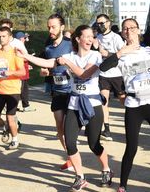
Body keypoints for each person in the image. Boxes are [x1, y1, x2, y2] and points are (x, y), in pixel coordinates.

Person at [17, 25, 114, 191]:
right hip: (74, 104)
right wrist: (26, 56)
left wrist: (67, 63)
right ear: (78, 39)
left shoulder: (95, 56)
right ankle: (80, 177)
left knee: (94, 144)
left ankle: (106, 169)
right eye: (87, 36)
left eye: (92, 36)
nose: (91, 39)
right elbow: (48, 62)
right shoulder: (70, 55)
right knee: (70, 142)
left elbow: (83, 74)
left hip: (93, 105)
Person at [100, 18, 150, 192]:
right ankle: (122, 186)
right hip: (134, 104)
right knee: (131, 147)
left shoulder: (149, 51)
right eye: (125, 29)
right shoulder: (121, 54)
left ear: (138, 30)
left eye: (132, 28)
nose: (129, 31)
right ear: (122, 33)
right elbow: (104, 68)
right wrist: (121, 52)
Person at [40, 14, 73, 171]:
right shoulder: (47, 47)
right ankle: (70, 156)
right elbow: (45, 66)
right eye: (48, 27)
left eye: (53, 27)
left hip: (72, 92)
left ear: (62, 27)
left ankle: (73, 156)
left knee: (68, 127)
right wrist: (44, 71)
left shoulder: (71, 44)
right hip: (57, 91)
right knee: (59, 128)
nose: (50, 30)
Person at [0, 26, 25, 150]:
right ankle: (5, 127)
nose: (1, 38)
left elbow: (22, 72)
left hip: (13, 91)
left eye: (4, 36)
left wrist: (8, 73)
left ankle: (15, 140)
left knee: (10, 118)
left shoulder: (16, 52)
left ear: (10, 38)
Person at [96, 14, 125, 141]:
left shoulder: (116, 37)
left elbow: (123, 54)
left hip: (117, 74)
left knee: (124, 101)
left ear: (108, 23)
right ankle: (106, 129)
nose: (100, 25)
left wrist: (107, 54)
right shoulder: (97, 37)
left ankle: (132, 124)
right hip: (103, 75)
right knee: (104, 101)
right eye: (98, 23)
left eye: (102, 23)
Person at [15, 31, 36, 112]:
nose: (25, 39)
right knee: (21, 90)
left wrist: (28, 65)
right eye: (24, 37)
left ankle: (20, 105)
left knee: (22, 90)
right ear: (20, 39)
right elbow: (19, 58)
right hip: (21, 73)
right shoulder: (18, 47)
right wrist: (30, 57)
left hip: (23, 71)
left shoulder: (21, 46)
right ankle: (23, 106)